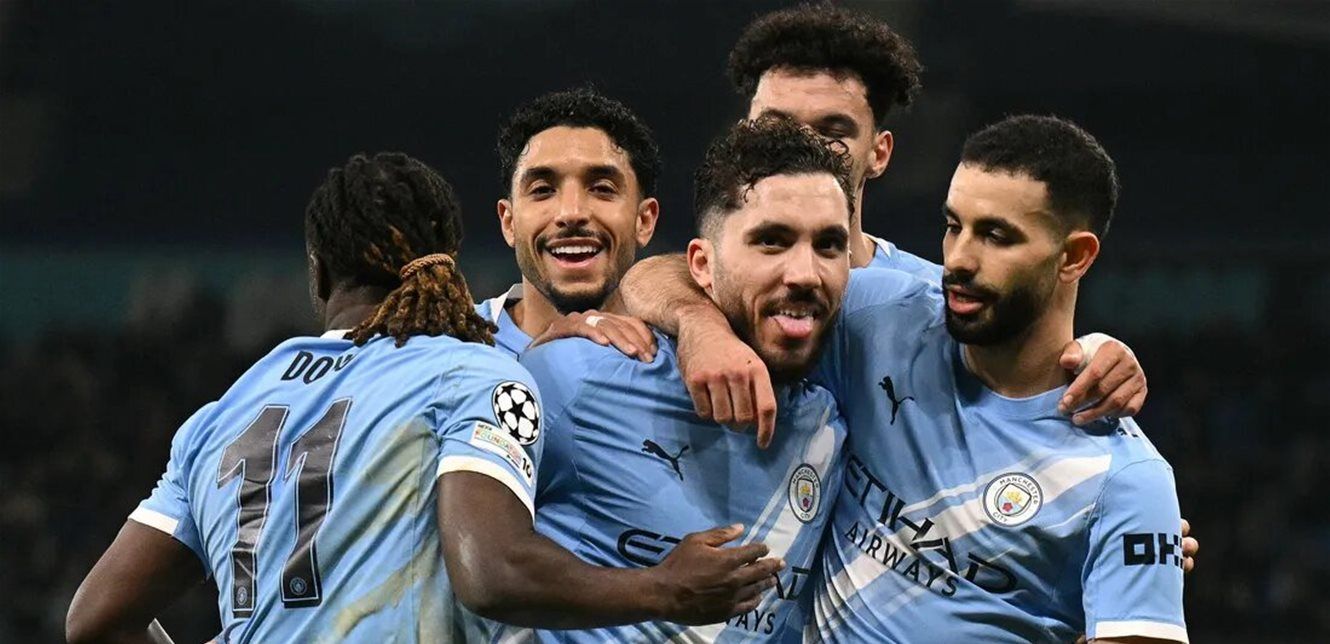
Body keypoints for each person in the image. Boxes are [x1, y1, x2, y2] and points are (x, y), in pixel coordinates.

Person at [65, 153, 781, 644]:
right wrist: (664, 588)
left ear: (320, 273)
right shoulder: (469, 375)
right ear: (447, 258)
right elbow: (492, 574)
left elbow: (95, 619)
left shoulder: (224, 411)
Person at [632, 117, 1189, 642]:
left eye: (996, 236)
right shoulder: (882, 319)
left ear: (1074, 257)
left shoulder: (1126, 481)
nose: (959, 259)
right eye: (953, 226)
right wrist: (703, 327)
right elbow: (664, 274)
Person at [621, 4, 1150, 436]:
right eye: (776, 125)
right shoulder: (717, 279)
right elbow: (648, 277)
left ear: (879, 153)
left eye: (833, 131)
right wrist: (702, 326)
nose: (800, 148)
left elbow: (1034, 379)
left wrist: (1100, 355)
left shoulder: (935, 302)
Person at [505, 118, 854, 642]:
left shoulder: (833, 425)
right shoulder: (574, 375)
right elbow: (475, 566)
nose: (804, 273)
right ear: (702, 266)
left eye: (828, 246)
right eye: (771, 242)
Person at [476, 87, 661, 361]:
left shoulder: (689, 361)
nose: (571, 213)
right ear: (509, 222)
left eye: (602, 188)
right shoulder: (449, 347)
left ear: (643, 220)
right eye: (542, 190)